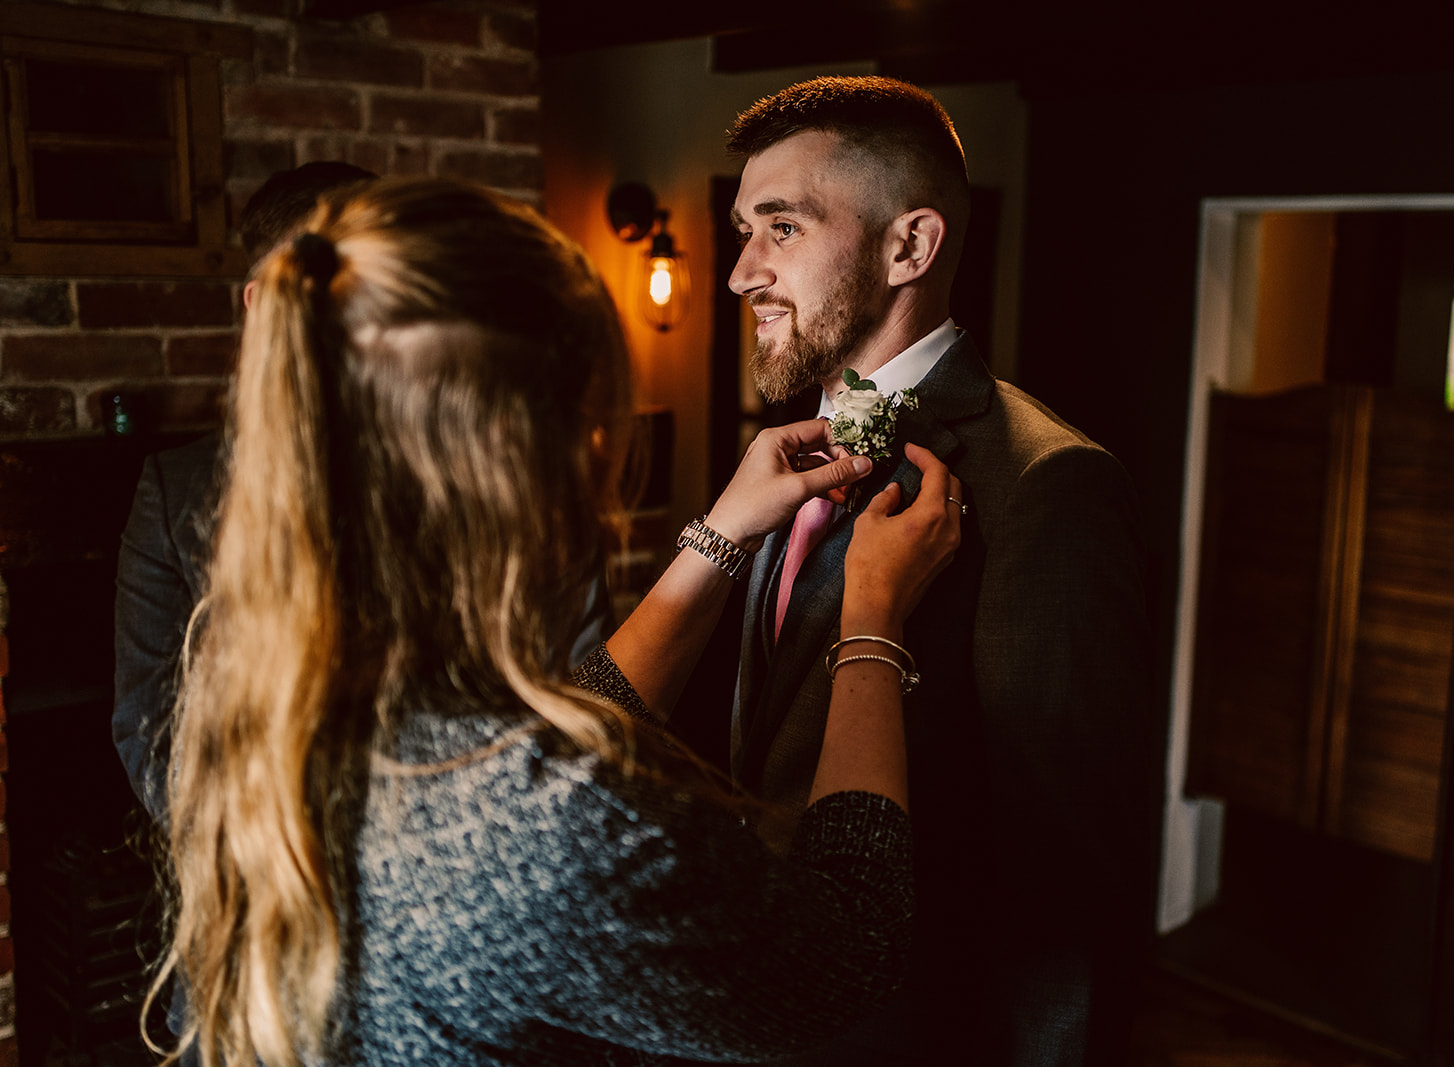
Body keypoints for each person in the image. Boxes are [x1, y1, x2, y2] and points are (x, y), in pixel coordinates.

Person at [152, 175, 963, 1067]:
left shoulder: (266, 702)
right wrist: (871, 619)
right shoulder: (549, 826)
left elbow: (543, 740)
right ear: (537, 453)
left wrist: (721, 534)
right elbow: (847, 952)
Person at [681, 76, 1158, 1065]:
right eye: (744, 231)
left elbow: (1061, 884)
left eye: (781, 229)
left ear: (910, 246)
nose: (739, 273)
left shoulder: (1048, 485)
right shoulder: (772, 465)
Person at [114, 161, 378, 821]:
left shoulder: (470, 471)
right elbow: (152, 742)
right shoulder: (176, 493)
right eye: (340, 281)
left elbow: (575, 707)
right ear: (262, 302)